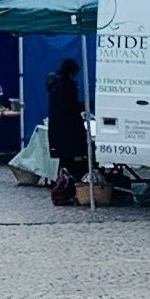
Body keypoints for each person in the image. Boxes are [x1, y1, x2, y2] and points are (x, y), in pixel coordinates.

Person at [45, 55, 90, 204]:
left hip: (57, 129)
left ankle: (62, 187)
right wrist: (84, 105)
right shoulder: (68, 85)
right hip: (69, 130)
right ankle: (71, 189)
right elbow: (71, 108)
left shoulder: (54, 85)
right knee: (73, 160)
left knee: (64, 161)